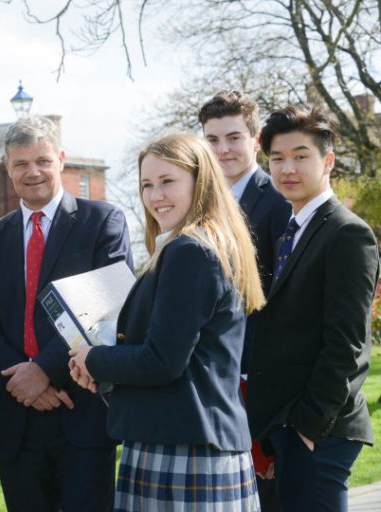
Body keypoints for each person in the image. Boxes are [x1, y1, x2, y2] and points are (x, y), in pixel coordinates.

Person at [69, 133, 264, 511]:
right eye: (146, 185)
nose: (155, 196)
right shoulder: (199, 244)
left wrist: (93, 359)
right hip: (186, 440)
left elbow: (162, 361)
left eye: (167, 181)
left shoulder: (190, 250)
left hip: (184, 447)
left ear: (200, 181)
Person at [0, 115, 132, 511]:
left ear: (61, 159)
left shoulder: (101, 222)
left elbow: (106, 312)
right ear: (7, 167)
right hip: (17, 417)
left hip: (81, 410)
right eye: (21, 163)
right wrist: (23, 379)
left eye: (42, 160)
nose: (33, 172)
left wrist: (43, 371)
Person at [246, 106, 379, 512]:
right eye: (277, 158)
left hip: (320, 430)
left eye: (301, 155)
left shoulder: (347, 233)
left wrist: (306, 427)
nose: (288, 168)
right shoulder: (290, 228)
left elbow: (348, 345)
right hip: (284, 426)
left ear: (329, 161)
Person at [199, 89, 291, 510]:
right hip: (212, 381)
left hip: (260, 383)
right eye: (212, 140)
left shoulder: (278, 202)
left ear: (255, 140)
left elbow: (281, 304)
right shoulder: (200, 205)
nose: (223, 149)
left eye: (233, 137)